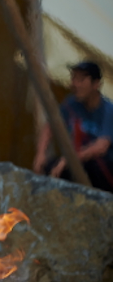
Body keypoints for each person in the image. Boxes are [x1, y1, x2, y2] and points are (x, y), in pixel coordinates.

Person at [33, 61, 113, 192]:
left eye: (81, 80)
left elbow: (101, 147)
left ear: (96, 84)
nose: (75, 84)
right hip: (77, 162)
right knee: (49, 168)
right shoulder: (71, 104)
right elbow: (51, 126)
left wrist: (68, 160)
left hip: (102, 172)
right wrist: (40, 154)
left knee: (94, 166)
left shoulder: (108, 110)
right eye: (74, 78)